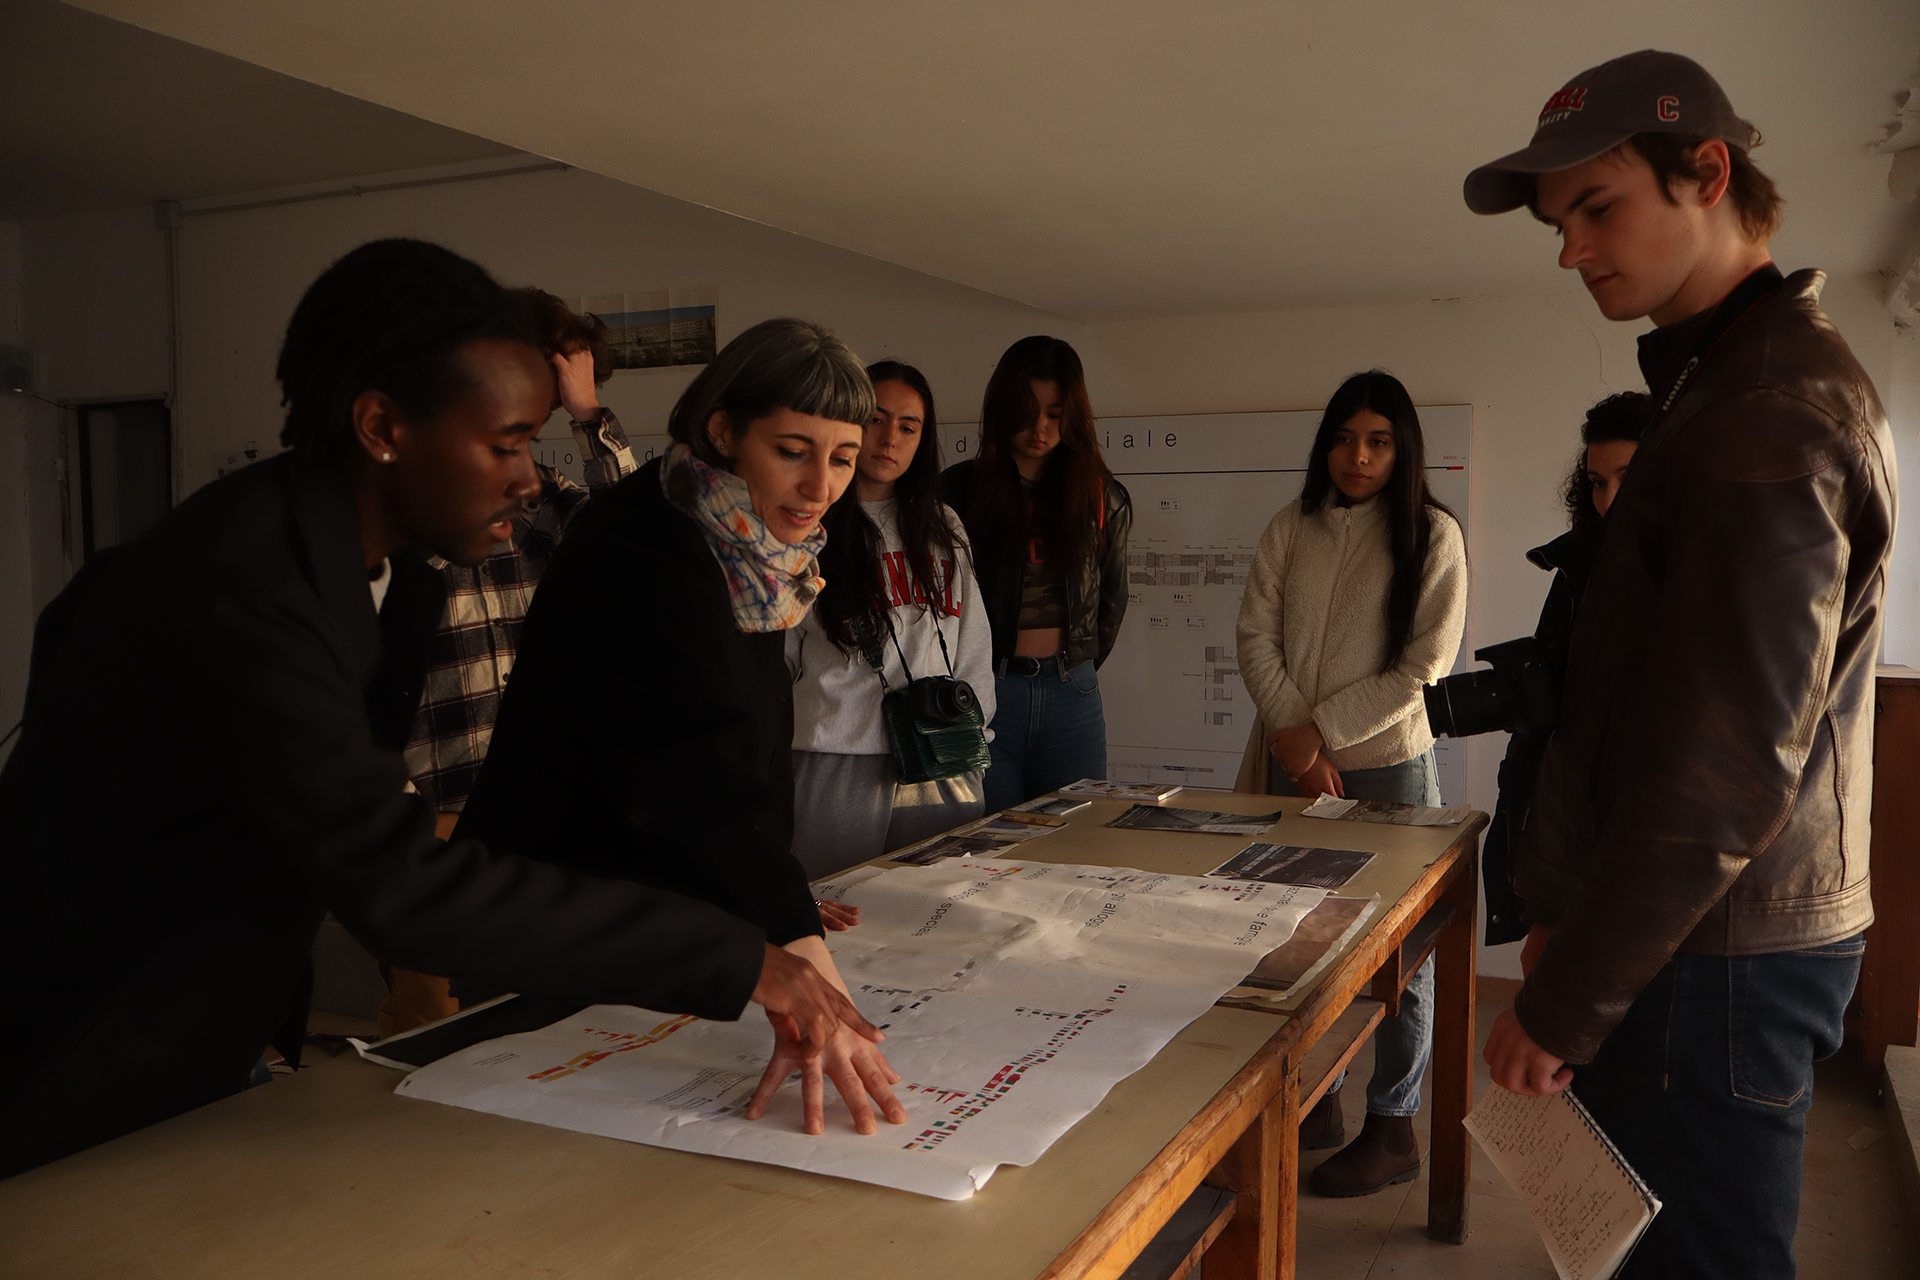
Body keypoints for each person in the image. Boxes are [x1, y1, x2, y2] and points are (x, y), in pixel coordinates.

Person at [0, 241, 880, 1179]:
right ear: (382, 425)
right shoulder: (244, 591)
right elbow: (402, 890)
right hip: (73, 1038)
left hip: (210, 1010)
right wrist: (747, 957)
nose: (530, 478)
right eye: (504, 445)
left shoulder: (393, 570)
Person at [1466, 50, 1893, 1276]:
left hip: (1717, 956)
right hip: (1701, 936)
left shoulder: (1766, 406)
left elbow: (1723, 767)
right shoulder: (1722, 383)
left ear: (1706, 172)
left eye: (1596, 208)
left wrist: (1563, 998)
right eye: (1558, 223)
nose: (1570, 250)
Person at [457, 317, 910, 1138]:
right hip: (557, 907)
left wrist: (780, 899)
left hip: (649, 903)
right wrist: (795, 952)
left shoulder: (756, 552)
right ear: (723, 431)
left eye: (841, 459)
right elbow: (691, 764)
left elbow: (753, 748)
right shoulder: (644, 544)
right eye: (793, 450)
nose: (819, 488)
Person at [1233, 369, 1467, 1197]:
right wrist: (1296, 744)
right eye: (1343, 438)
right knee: (1293, 935)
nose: (1357, 457)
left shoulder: (1433, 536)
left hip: (1389, 770)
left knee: (1401, 953)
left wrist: (1318, 733)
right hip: (1290, 765)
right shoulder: (1291, 526)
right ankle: (1318, 1101)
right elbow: (1255, 633)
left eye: (1377, 441)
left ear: (1402, 449)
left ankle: (1393, 1125)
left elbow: (1422, 668)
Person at [381, 289, 637, 1037]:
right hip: (426, 808)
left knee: (528, 1014)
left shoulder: (543, 504)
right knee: (429, 1022)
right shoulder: (406, 499)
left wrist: (590, 415)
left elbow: (633, 533)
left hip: (530, 802)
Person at [786, 360, 994, 880]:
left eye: (908, 427)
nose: (889, 439)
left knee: (941, 908)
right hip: (836, 753)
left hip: (941, 750)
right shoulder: (803, 522)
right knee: (835, 907)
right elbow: (780, 653)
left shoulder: (942, 525)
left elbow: (972, 641)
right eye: (876, 419)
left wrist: (975, 732)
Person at [1482, 391, 1653, 946]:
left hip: (1649, 834)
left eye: (1630, 476)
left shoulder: (1707, 571)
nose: (1609, 499)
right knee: (1546, 970)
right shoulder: (1577, 564)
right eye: (1598, 483)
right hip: (1567, 813)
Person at [940, 336, 1131, 810]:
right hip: (986, 690)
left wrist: (1076, 669)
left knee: (1074, 842)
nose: (1039, 426)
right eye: (1027, 409)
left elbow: (1111, 601)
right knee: (989, 846)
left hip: (1073, 693)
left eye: (1054, 411)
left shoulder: (1101, 497)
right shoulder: (957, 491)